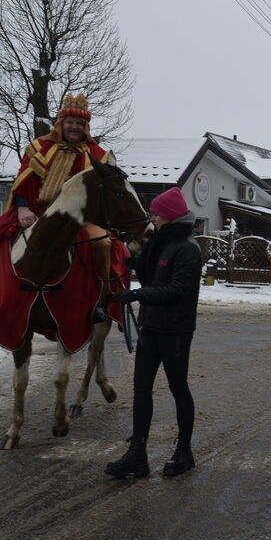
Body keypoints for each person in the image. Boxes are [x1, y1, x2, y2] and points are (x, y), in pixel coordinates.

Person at [0, 94, 119, 320]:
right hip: (36, 212)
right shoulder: (39, 147)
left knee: (102, 244)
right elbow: (23, 182)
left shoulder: (98, 156)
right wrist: (22, 208)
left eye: (79, 123)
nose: (74, 127)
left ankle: (101, 299)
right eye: (70, 122)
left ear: (86, 127)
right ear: (60, 123)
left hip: (78, 218)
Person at [105, 187, 202, 478]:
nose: (153, 218)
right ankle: (138, 455)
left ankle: (184, 451)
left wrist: (138, 295)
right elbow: (147, 270)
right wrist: (122, 253)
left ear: (170, 216)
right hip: (151, 327)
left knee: (178, 388)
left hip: (175, 330)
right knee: (141, 390)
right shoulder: (160, 243)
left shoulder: (187, 248)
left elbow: (178, 290)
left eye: (157, 213)